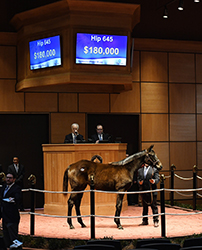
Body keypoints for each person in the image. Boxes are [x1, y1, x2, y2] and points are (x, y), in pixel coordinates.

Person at [0, 172, 23, 249]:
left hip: (12, 217)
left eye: (10, 178)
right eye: (7, 177)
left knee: (13, 238)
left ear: (14, 179)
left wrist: (13, 199)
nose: (8, 179)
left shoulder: (16, 188)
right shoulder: (3, 187)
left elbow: (18, 199)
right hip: (4, 216)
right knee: (6, 238)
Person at [137, 163, 159, 227]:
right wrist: (139, 182)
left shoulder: (154, 170)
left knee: (154, 206)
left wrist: (154, 181)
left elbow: (157, 179)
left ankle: (156, 220)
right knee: (145, 207)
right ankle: (145, 220)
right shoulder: (140, 170)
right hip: (144, 191)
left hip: (152, 191)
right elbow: (138, 179)